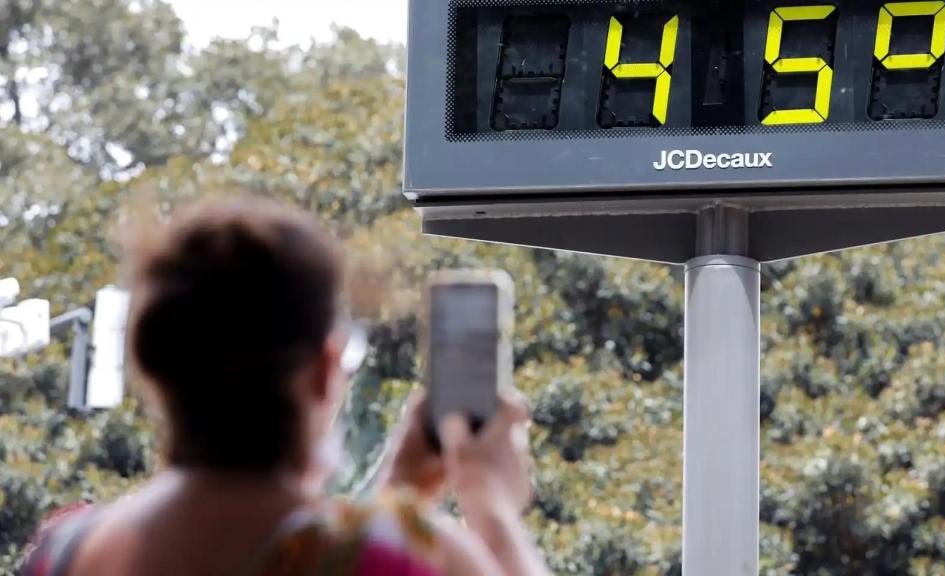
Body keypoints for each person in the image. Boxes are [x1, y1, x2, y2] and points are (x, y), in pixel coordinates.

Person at [21, 197, 550, 576]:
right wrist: (491, 508)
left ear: (151, 364)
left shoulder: (62, 552)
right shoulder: (410, 556)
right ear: (326, 368)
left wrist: (399, 498)